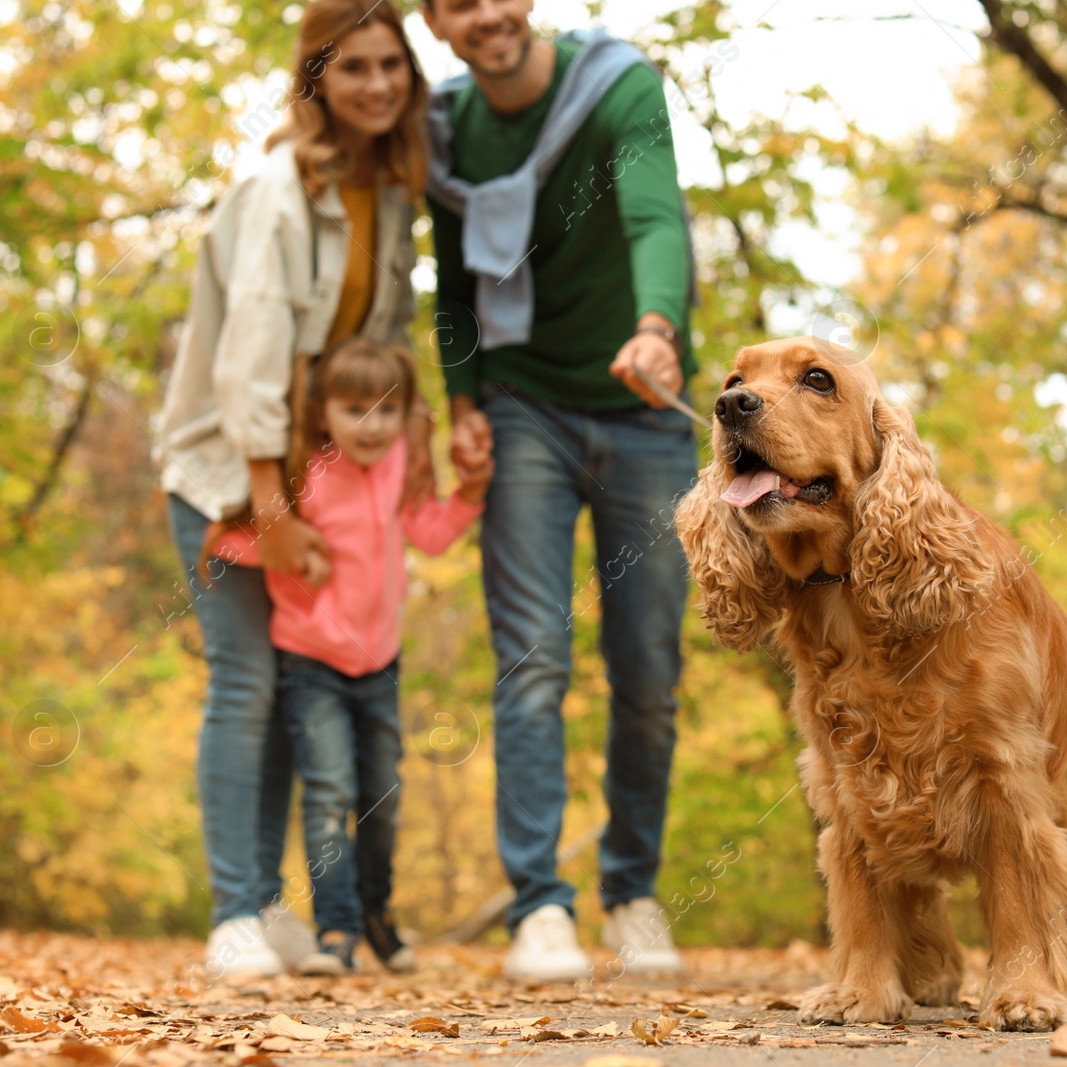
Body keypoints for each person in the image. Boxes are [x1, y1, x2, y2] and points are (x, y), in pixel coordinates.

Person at [155, 0, 437, 979]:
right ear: (316, 77)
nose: (374, 84)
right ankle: (233, 910)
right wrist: (271, 507)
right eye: (350, 66)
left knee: (287, 692)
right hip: (228, 471)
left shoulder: (389, 194)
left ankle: (271, 907)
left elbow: (382, 349)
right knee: (244, 682)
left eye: (389, 64)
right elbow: (251, 362)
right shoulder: (279, 190)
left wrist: (427, 442)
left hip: (311, 478)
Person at [420, 0, 699, 980]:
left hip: (644, 398)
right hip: (524, 401)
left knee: (649, 669)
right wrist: (460, 400)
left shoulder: (615, 82)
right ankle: (539, 905)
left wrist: (659, 324)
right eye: (458, 3)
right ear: (434, 21)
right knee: (531, 655)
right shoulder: (443, 128)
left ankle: (631, 890)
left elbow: (657, 211)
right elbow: (451, 284)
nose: (485, 15)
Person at [206, 337, 493, 975]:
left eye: (387, 411)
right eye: (355, 409)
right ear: (323, 413)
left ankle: (376, 914)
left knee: (382, 796)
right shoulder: (300, 473)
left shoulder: (400, 470)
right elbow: (233, 539)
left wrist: (470, 492)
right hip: (310, 665)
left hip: (380, 664)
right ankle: (335, 932)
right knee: (329, 794)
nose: (372, 425)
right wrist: (290, 550)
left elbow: (434, 536)